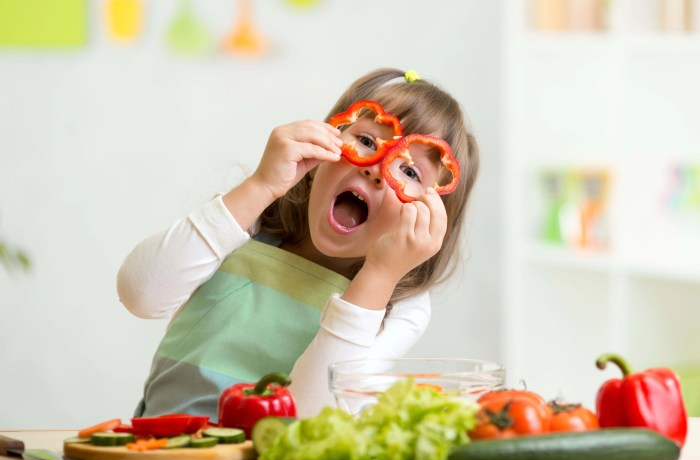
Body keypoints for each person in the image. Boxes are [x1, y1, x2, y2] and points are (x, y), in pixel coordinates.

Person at [117, 67, 480, 419]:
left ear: (431, 216)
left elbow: (311, 416)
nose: (376, 168)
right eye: (367, 141)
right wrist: (260, 185)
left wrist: (380, 275)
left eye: (410, 171)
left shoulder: (402, 305)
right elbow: (140, 295)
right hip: (156, 455)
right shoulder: (248, 220)